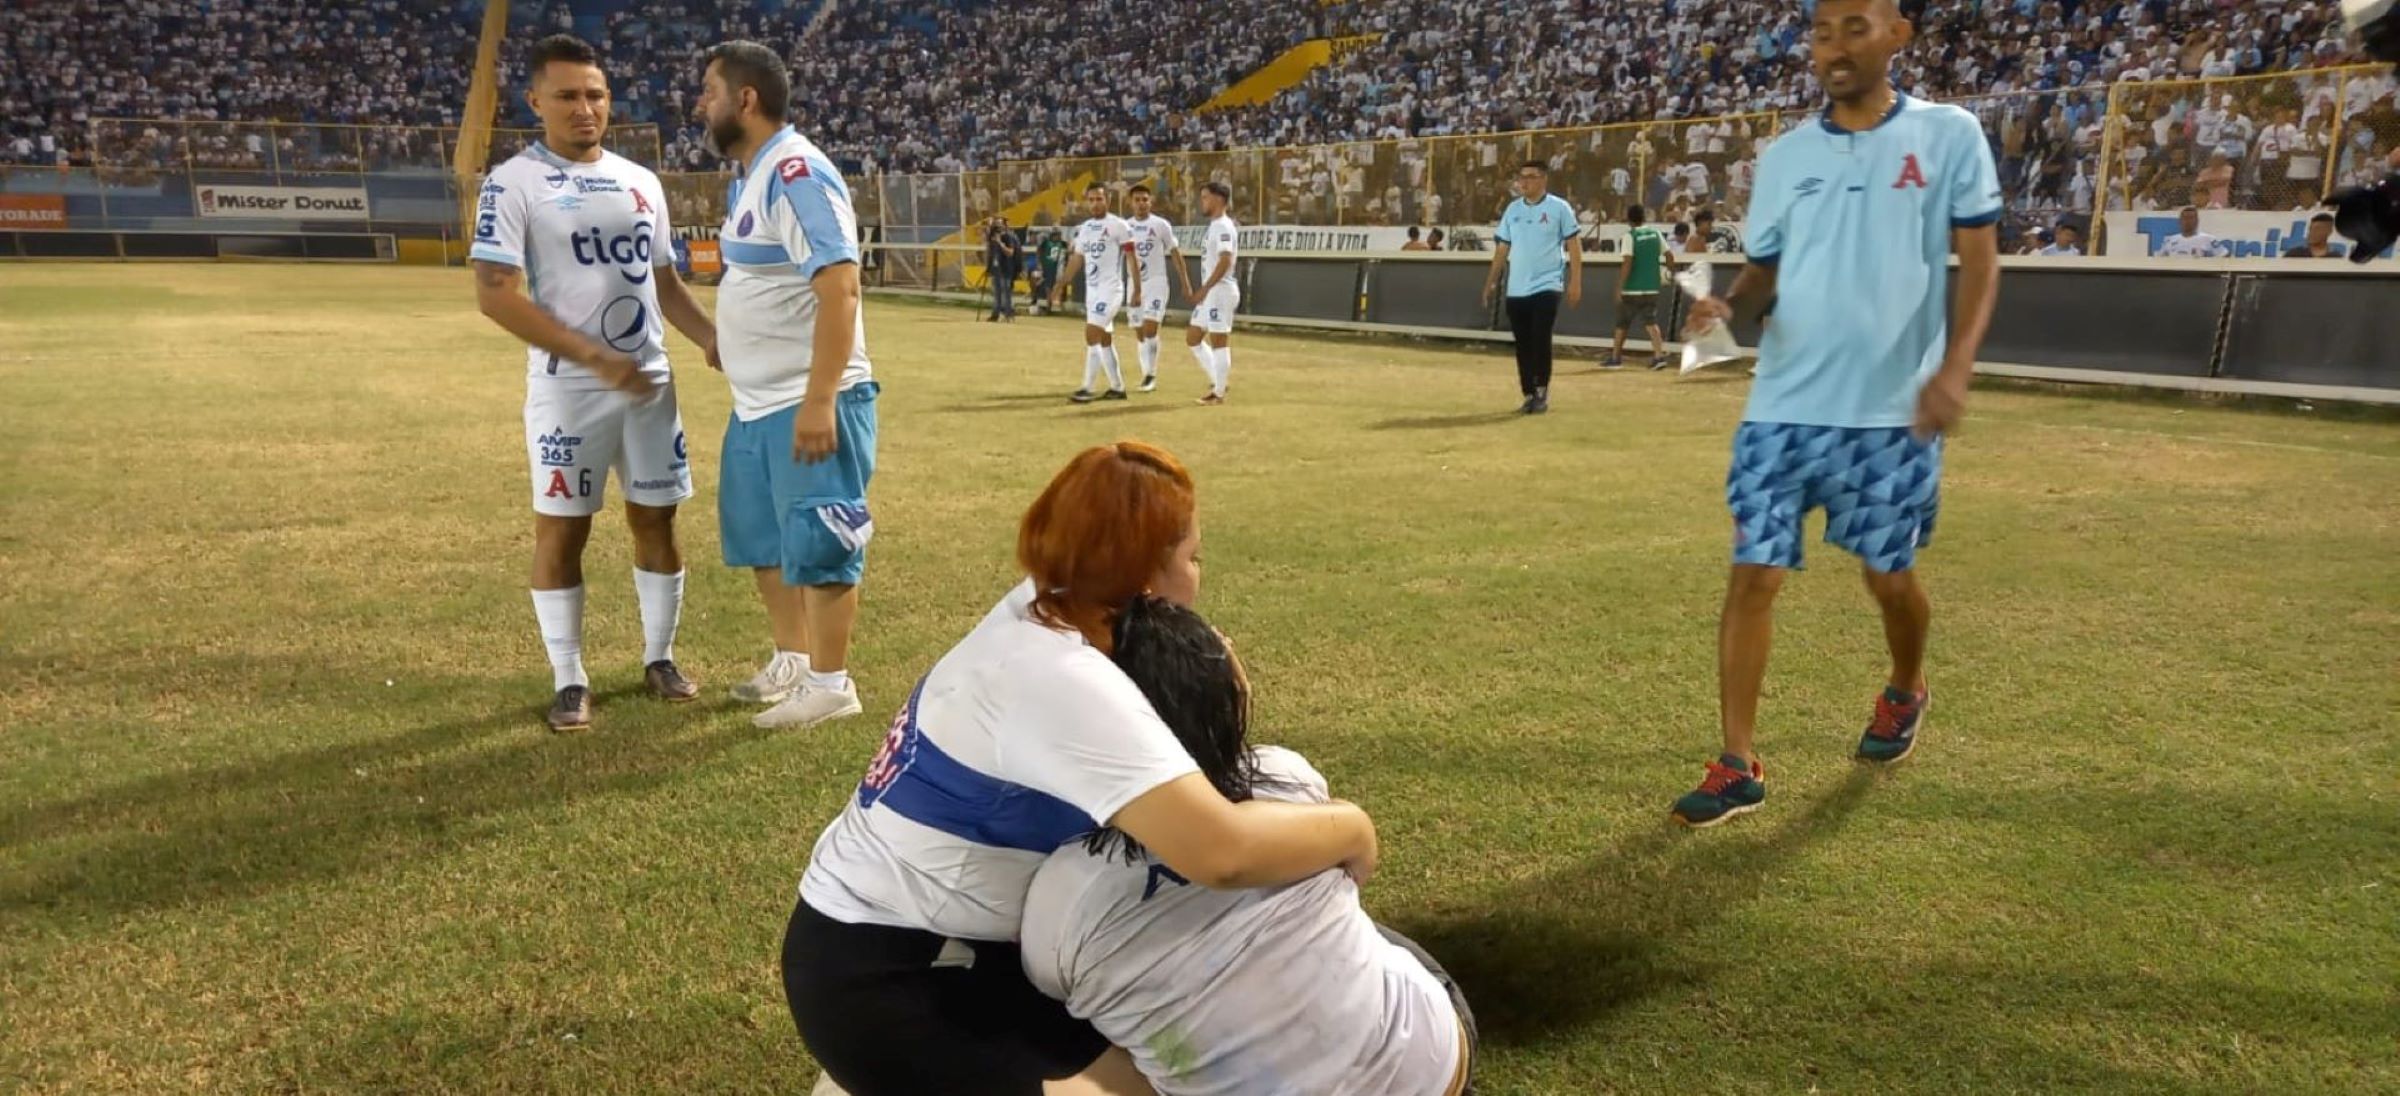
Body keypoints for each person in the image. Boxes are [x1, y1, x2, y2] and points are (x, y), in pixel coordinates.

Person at [780, 442, 1382, 1096]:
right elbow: (1223, 852)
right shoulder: (1064, 678)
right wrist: (1350, 828)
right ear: (1147, 575)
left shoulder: (1046, 607)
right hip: (899, 977)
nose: (1199, 575)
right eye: (1194, 556)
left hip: (881, 942)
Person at [1673, 0, 2003, 827]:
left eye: (1858, 26)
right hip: (1782, 404)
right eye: (1823, 32)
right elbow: (1766, 272)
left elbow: (1981, 264)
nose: (1835, 46)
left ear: (1898, 35)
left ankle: (1905, 689)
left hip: (1891, 414)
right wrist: (1725, 308)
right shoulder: (1785, 157)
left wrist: (1955, 369)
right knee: (1753, 577)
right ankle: (1737, 762)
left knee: (1888, 580)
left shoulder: (1949, 135)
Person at [1021, 597, 1474, 1096]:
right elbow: (1353, 863)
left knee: (1101, 1018)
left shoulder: (1059, 903)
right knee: (1353, 928)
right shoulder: (1284, 779)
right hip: (1430, 1069)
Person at [470, 34, 715, 733]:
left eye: (596, 95)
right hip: (569, 390)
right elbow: (495, 293)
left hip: (649, 384)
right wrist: (592, 357)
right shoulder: (512, 182)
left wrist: (709, 337)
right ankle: (570, 677)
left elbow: (663, 281)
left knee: (657, 521)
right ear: (536, 102)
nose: (585, 108)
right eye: (569, 96)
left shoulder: (642, 182)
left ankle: (659, 657)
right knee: (563, 532)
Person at [697, 41, 880, 730]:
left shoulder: (797, 172)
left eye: (709, 91)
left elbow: (840, 285)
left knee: (821, 538)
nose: (700, 105)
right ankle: (795, 662)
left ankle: (831, 684)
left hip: (804, 402)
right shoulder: (751, 175)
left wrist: (820, 398)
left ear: (746, 99)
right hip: (756, 403)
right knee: (765, 541)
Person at [1480, 161, 1583, 415]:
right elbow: (1502, 249)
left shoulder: (1559, 208)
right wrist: (1491, 281)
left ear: (1543, 179)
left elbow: (1574, 245)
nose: (1523, 182)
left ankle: (1541, 390)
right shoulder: (1513, 210)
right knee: (1523, 343)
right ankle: (1527, 392)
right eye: (1521, 177)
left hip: (1547, 284)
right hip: (1517, 288)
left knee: (1540, 337)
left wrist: (1576, 281)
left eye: (1530, 177)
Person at [1049, 184, 1138, 403]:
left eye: (1099, 199)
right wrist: (1059, 286)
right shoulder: (1085, 228)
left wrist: (1138, 290)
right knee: (1104, 339)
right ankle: (1118, 388)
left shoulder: (1119, 226)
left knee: (1091, 334)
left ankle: (1087, 388)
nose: (1095, 203)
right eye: (1091, 199)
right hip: (1093, 291)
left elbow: (1131, 258)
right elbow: (1077, 260)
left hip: (1111, 290)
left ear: (1107, 199)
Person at [1125, 184, 1190, 393]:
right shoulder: (1125, 227)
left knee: (1151, 328)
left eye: (1145, 199)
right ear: (1130, 202)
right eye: (1137, 199)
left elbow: (1175, 253)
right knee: (1140, 332)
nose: (1142, 203)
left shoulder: (1161, 225)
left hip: (1156, 282)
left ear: (1150, 202)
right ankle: (1146, 374)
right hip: (1134, 283)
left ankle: (1151, 375)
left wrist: (1185, 282)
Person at [1185, 181, 1241, 405]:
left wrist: (1204, 289)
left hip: (1220, 291)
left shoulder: (1224, 226)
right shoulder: (1215, 225)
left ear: (1218, 199)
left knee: (1219, 339)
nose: (1203, 201)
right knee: (1193, 337)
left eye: (1206, 197)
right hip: (1213, 293)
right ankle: (1218, 380)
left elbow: (1225, 260)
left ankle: (1218, 393)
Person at [1605, 203, 1674, 370]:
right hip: (1651, 287)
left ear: (1629, 219)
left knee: (1622, 323)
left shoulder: (1630, 236)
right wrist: (1669, 273)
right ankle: (1658, 356)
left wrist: (1619, 286)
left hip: (1632, 288)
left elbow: (1627, 262)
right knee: (1651, 322)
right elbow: (1669, 255)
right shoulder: (1656, 233)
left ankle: (1615, 358)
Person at [988, 217, 1023, 323]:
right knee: (996, 293)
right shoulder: (993, 237)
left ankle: (1008, 314)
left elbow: (1010, 253)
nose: (997, 227)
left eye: (999, 224)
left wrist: (1000, 243)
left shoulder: (1008, 237)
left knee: (1005, 293)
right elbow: (992, 253)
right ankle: (995, 314)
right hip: (996, 269)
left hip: (1006, 269)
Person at [2159, 206, 2229, 258]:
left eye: (2191, 218)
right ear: (2179, 221)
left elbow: (2225, 255)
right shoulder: (2170, 240)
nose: (2188, 221)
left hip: (2199, 276)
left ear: (2197, 221)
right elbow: (2160, 259)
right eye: (2185, 218)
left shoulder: (2209, 239)